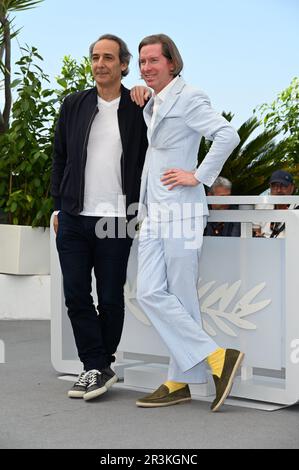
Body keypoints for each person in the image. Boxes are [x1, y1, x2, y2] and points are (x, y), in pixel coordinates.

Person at [133, 34, 244, 412]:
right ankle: (216, 359)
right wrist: (144, 99)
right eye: (142, 62)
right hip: (154, 212)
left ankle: (179, 381)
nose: (146, 68)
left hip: (181, 210)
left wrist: (198, 175)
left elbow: (227, 134)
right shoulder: (156, 100)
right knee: (148, 291)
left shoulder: (191, 96)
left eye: (153, 61)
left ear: (172, 63)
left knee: (180, 295)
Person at [51, 34, 148, 401]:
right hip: (75, 216)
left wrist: (149, 96)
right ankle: (96, 365)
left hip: (117, 219)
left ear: (123, 64)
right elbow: (60, 158)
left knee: (109, 297)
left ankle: (98, 365)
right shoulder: (73, 104)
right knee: (76, 294)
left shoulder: (138, 105)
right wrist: (58, 206)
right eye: (95, 57)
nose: (100, 64)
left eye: (108, 57)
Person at [254, 170, 297, 238]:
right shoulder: (262, 205)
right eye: (275, 186)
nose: (279, 190)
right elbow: (255, 230)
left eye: (283, 186)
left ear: (292, 188)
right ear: (270, 187)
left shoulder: (297, 207)